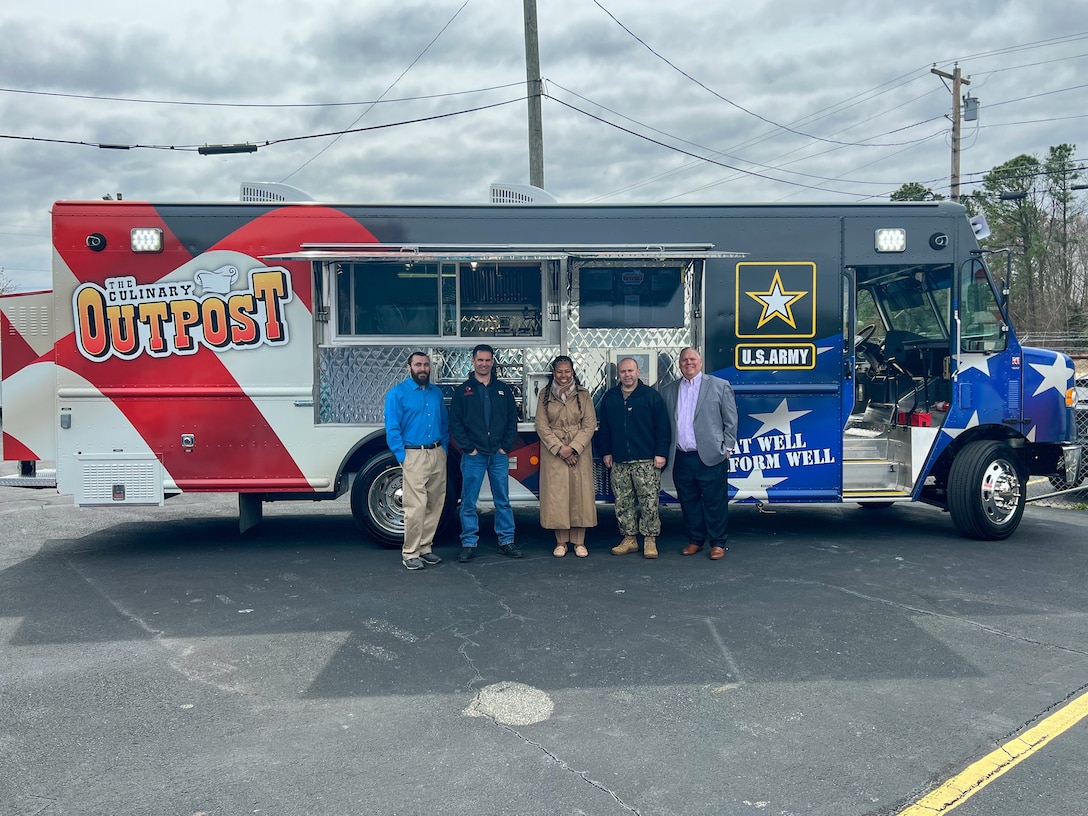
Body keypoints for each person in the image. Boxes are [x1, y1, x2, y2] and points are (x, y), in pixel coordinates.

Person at [660, 347, 738, 561]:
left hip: (711, 455)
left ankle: (718, 543)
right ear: (679, 364)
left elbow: (731, 421)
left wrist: (727, 448)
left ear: (701, 362)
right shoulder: (669, 390)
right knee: (688, 502)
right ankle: (695, 540)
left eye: (692, 359)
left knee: (715, 502)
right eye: (684, 360)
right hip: (681, 457)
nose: (688, 363)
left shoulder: (720, 386)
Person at [450, 344, 522, 562]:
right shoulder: (463, 391)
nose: (483, 363)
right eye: (480, 360)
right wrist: (468, 448)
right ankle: (469, 543)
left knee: (503, 500)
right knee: (469, 501)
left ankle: (506, 541)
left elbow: (512, 420)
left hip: (498, 455)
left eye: (487, 360)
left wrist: (505, 446)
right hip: (474, 456)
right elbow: (456, 422)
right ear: (473, 362)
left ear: (492, 362)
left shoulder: (503, 390)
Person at [596, 356, 671, 559]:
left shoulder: (651, 397)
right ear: (618, 374)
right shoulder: (610, 398)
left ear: (638, 372)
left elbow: (663, 428)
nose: (627, 375)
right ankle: (629, 538)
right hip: (619, 460)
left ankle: (649, 540)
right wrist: (606, 452)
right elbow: (605, 429)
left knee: (649, 501)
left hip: (646, 460)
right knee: (623, 501)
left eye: (630, 371)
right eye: (623, 372)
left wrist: (661, 454)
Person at [384, 351, 449, 571]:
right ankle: (410, 552)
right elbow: (392, 428)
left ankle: (425, 548)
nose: (423, 369)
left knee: (435, 503)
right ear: (408, 367)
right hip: (414, 454)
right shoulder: (397, 394)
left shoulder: (436, 393)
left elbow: (444, 423)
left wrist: (444, 450)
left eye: (426, 365)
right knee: (416, 505)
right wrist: (402, 456)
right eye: (418, 365)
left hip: (437, 452)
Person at [534, 355, 597, 558]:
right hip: (555, 454)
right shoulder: (545, 395)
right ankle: (561, 542)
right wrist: (560, 448)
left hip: (579, 453)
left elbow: (589, 425)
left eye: (567, 371)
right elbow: (541, 426)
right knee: (558, 497)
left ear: (573, 372)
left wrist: (574, 448)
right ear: (554, 373)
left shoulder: (583, 394)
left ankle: (579, 542)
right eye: (559, 371)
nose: (563, 375)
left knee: (580, 496)